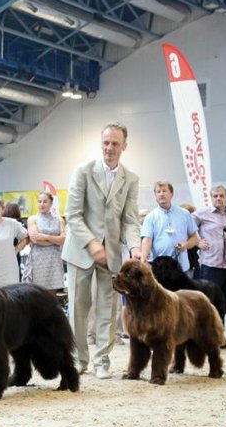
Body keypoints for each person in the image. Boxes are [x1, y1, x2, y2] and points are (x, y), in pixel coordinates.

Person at [62, 121, 141, 380]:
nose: (109, 148)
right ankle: (79, 358)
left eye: (115, 143)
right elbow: (72, 214)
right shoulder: (83, 171)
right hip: (80, 250)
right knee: (78, 308)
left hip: (113, 256)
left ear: (124, 146)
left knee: (109, 308)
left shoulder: (131, 179)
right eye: (105, 143)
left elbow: (130, 219)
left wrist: (136, 247)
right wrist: (93, 244)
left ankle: (102, 361)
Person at [193, 185, 226, 315]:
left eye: (221, 196)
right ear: (211, 198)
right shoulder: (201, 214)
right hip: (211, 266)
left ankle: (225, 333)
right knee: (209, 304)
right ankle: (208, 334)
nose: (218, 198)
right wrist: (197, 241)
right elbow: (185, 229)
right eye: (215, 196)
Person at [139, 181, 199, 276]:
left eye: (164, 191)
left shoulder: (185, 214)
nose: (161, 194)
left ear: (171, 194)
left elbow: (195, 239)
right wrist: (143, 260)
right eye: (158, 192)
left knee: (183, 291)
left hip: (181, 267)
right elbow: (147, 240)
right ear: (155, 196)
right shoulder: (150, 217)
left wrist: (186, 245)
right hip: (160, 268)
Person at [27, 191, 66, 292]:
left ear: (51, 203)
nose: (41, 204)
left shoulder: (59, 219)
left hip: (54, 259)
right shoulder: (32, 219)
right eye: (39, 201)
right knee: (39, 292)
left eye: (45, 202)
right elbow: (35, 240)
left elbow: (63, 240)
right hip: (38, 259)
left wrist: (44, 236)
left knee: (53, 293)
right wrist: (55, 241)